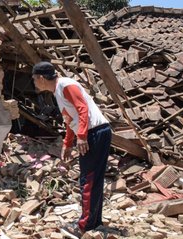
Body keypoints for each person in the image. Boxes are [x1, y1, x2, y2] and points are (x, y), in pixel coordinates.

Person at [32, 61, 112, 235]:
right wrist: (68, 144)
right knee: (93, 179)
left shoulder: (66, 85)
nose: (34, 83)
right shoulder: (58, 91)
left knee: (88, 180)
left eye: (34, 79)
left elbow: (82, 109)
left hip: (95, 133)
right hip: (95, 132)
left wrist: (81, 137)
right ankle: (94, 222)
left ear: (41, 77)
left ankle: (85, 227)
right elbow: (70, 119)